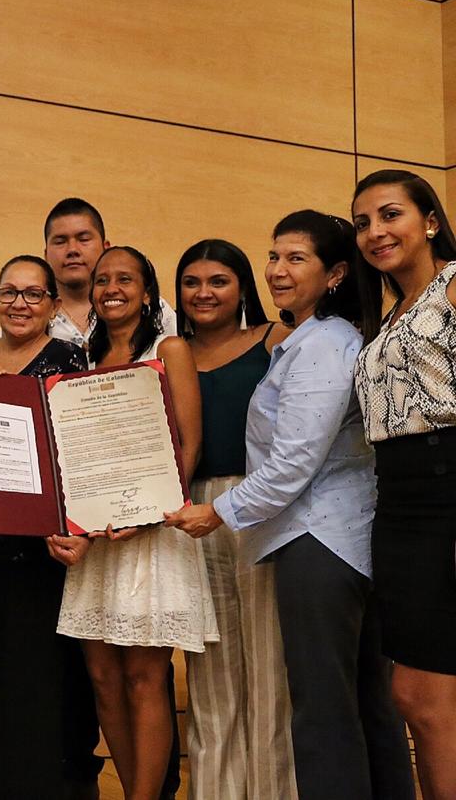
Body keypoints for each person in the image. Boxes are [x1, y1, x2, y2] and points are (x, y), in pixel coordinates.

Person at [166, 211, 414, 800]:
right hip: (332, 539)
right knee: (362, 707)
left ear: (334, 275)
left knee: (324, 711)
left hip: (320, 542)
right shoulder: (308, 339)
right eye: (274, 256)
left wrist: (216, 512)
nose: (277, 270)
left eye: (295, 259)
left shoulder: (326, 343)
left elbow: (291, 465)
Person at [51, 245, 214, 800]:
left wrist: (144, 516)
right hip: (97, 541)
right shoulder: (81, 362)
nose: (111, 288)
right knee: (103, 679)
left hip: (153, 536)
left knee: (145, 677)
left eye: (125, 279)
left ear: (148, 292)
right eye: (102, 279)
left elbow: (189, 446)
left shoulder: (170, 349)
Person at [0, 254, 87, 799]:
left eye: (34, 294)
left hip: (41, 549)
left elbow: (80, 451)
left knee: (29, 681)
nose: (19, 304)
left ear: (54, 305)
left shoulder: (70, 360)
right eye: (8, 293)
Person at [174, 239, 294, 799]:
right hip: (192, 512)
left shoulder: (277, 342)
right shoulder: (168, 353)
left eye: (218, 281)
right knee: (210, 674)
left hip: (263, 506)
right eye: (192, 282)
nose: (203, 293)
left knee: (271, 673)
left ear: (243, 287)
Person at [352, 169, 456, 799]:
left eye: (390, 215)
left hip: (449, 492)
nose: (375, 232)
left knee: (427, 697)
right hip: (399, 504)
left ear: (432, 222)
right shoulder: (390, 313)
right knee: (417, 695)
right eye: (363, 222)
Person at [43, 197, 177, 349]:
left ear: (105, 247)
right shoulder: (32, 313)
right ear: (46, 255)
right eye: (60, 242)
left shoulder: (151, 308)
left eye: (84, 239)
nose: (72, 250)